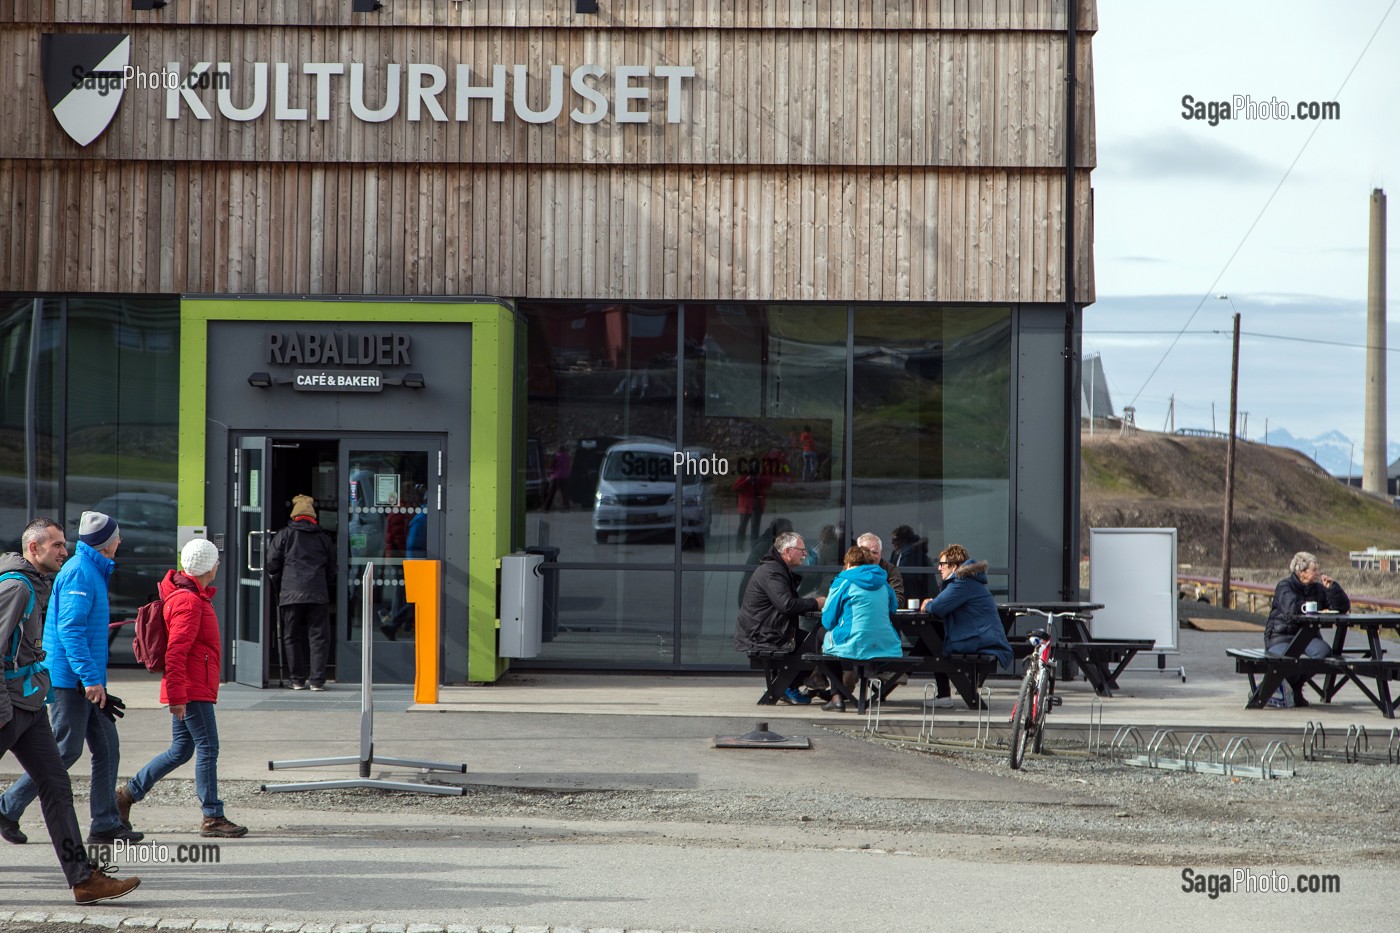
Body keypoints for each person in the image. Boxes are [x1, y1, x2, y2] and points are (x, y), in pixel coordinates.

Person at [0, 518, 141, 903]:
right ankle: (8, 810)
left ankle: (82, 880)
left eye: (65, 543)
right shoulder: (16, 586)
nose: (66, 550)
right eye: (58, 545)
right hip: (11, 705)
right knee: (65, 765)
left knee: (58, 787)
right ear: (34, 549)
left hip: (31, 702)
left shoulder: (42, 581)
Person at [117, 538, 247, 839]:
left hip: (190, 685)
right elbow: (176, 652)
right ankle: (212, 816)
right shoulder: (188, 601)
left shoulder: (190, 595)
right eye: (215, 561)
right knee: (208, 747)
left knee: (180, 750)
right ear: (207, 567)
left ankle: (125, 795)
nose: (217, 566)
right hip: (190, 688)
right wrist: (177, 696)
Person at [734, 531, 826, 704]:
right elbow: (787, 605)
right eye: (802, 550)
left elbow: (787, 603)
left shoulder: (776, 569)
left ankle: (794, 685)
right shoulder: (773, 572)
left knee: (817, 641)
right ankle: (786, 686)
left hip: (770, 628)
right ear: (787, 551)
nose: (805, 554)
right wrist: (816, 602)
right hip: (764, 634)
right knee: (817, 645)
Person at [920, 544, 1014, 708]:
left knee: (932, 641)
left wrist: (928, 604)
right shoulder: (966, 581)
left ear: (954, 566)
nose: (939, 568)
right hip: (981, 636)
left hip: (981, 640)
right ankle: (939, 694)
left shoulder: (962, 583)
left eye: (942, 564)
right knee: (930, 639)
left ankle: (899, 674)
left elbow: (937, 608)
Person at [816, 546, 902, 712]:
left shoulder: (843, 581)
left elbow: (827, 621)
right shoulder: (883, 582)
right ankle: (831, 687)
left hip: (854, 643)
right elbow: (893, 608)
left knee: (822, 635)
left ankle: (836, 696)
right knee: (840, 641)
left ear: (848, 563)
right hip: (885, 645)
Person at [266, 495, 337, 690]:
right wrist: (326, 582)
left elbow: (272, 561)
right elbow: (332, 566)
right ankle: (317, 680)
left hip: (290, 593)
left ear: (295, 515)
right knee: (319, 637)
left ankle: (296, 679)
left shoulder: (284, 535)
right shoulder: (323, 538)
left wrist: (279, 581)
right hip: (317, 593)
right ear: (313, 516)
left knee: (290, 635)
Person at [1264, 551, 1351, 707]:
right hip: (1281, 636)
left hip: (1309, 636)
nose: (1318, 574)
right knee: (1288, 660)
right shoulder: (1284, 586)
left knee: (1324, 654)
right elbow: (1291, 609)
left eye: (1318, 569)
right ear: (1301, 572)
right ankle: (1277, 689)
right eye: (1314, 570)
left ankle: (1294, 685)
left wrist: (1333, 589)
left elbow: (1342, 607)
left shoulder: (1317, 589)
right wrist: (1308, 607)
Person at [856, 532, 905, 604]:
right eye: (867, 553)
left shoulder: (890, 570)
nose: (871, 557)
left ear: (881, 552)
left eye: (875, 552)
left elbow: (898, 600)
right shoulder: (852, 569)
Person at [890, 524, 933, 601]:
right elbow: (889, 568)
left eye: (895, 540)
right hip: (903, 594)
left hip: (911, 596)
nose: (892, 543)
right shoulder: (896, 553)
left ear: (904, 540)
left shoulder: (911, 553)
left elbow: (905, 576)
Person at [732, 464, 771, 546]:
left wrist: (759, 478)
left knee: (755, 527)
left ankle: (754, 546)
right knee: (742, 526)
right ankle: (739, 546)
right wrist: (748, 479)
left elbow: (768, 484)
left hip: (757, 505)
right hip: (745, 506)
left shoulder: (759, 478)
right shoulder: (744, 478)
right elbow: (735, 488)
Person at [542, 444, 572, 512]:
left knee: (551, 493)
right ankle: (567, 507)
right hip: (565, 477)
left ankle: (546, 507)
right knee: (565, 493)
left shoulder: (557, 457)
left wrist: (551, 471)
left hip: (556, 477)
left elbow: (553, 466)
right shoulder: (567, 457)